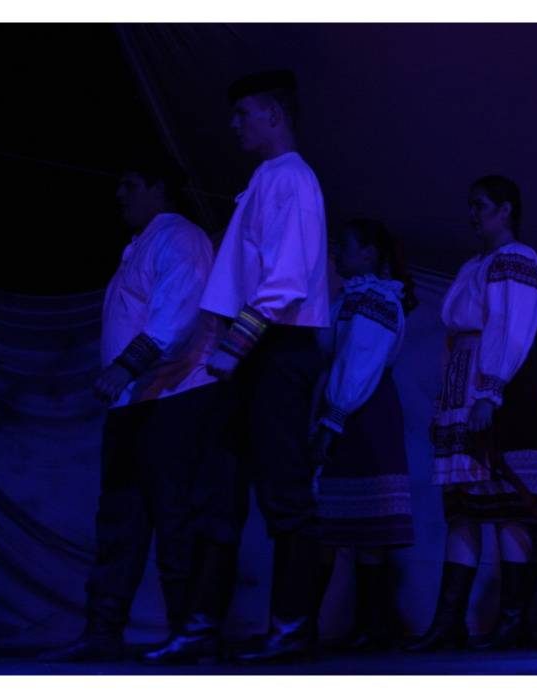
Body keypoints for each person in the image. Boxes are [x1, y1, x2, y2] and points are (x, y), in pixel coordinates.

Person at [144, 69, 330, 664]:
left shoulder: (292, 178)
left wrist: (234, 346)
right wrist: (214, 344)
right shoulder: (264, 179)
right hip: (250, 350)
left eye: (244, 112)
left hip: (276, 347)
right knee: (219, 489)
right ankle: (201, 625)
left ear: (274, 114)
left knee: (284, 491)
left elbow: (285, 280)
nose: (234, 124)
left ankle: (292, 628)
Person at [42, 156, 216, 662]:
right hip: (135, 402)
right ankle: (103, 629)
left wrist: (124, 367)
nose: (120, 195)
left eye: (130, 185)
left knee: (175, 515)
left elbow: (175, 318)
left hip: (173, 399)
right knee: (120, 518)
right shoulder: (141, 244)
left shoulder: (179, 237)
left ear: (158, 189)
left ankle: (189, 632)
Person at [405, 175, 537, 652]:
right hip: (463, 387)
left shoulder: (516, 259)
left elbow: (511, 327)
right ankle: (449, 621)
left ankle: (512, 620)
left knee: (508, 505)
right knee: (464, 508)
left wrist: (490, 391)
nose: (472, 214)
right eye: (470, 204)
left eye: (481, 205)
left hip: (500, 386)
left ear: (506, 210)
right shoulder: (474, 264)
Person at [311, 218, 417, 650]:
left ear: (370, 252)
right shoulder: (351, 297)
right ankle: (327, 625)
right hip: (349, 404)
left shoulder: (377, 298)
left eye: (345, 246)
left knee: (366, 525)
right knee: (337, 523)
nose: (337, 253)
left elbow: (360, 360)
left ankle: (372, 627)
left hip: (364, 408)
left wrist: (334, 418)